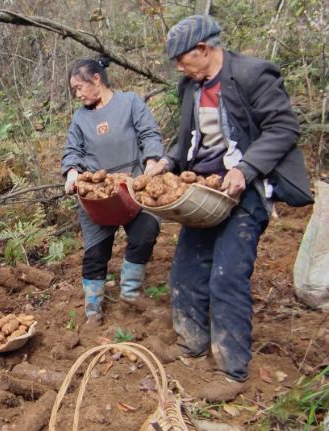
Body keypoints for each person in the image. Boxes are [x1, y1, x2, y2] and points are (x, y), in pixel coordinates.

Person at [144, 15, 313, 402]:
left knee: (227, 277)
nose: (179, 68)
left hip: (244, 192)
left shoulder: (252, 74)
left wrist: (246, 168)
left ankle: (232, 370)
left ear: (203, 49)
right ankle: (190, 344)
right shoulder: (191, 86)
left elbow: (283, 128)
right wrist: (166, 162)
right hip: (201, 193)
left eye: (182, 59)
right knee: (186, 271)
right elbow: (187, 139)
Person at [61, 58, 165, 331]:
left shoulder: (130, 102)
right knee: (96, 252)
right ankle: (93, 310)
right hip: (98, 194)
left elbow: (149, 134)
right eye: (74, 90)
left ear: (96, 79)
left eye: (79, 87)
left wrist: (152, 162)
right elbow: (73, 151)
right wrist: (72, 173)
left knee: (145, 233)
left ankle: (130, 292)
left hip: (134, 186)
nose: (77, 94)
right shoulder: (80, 117)